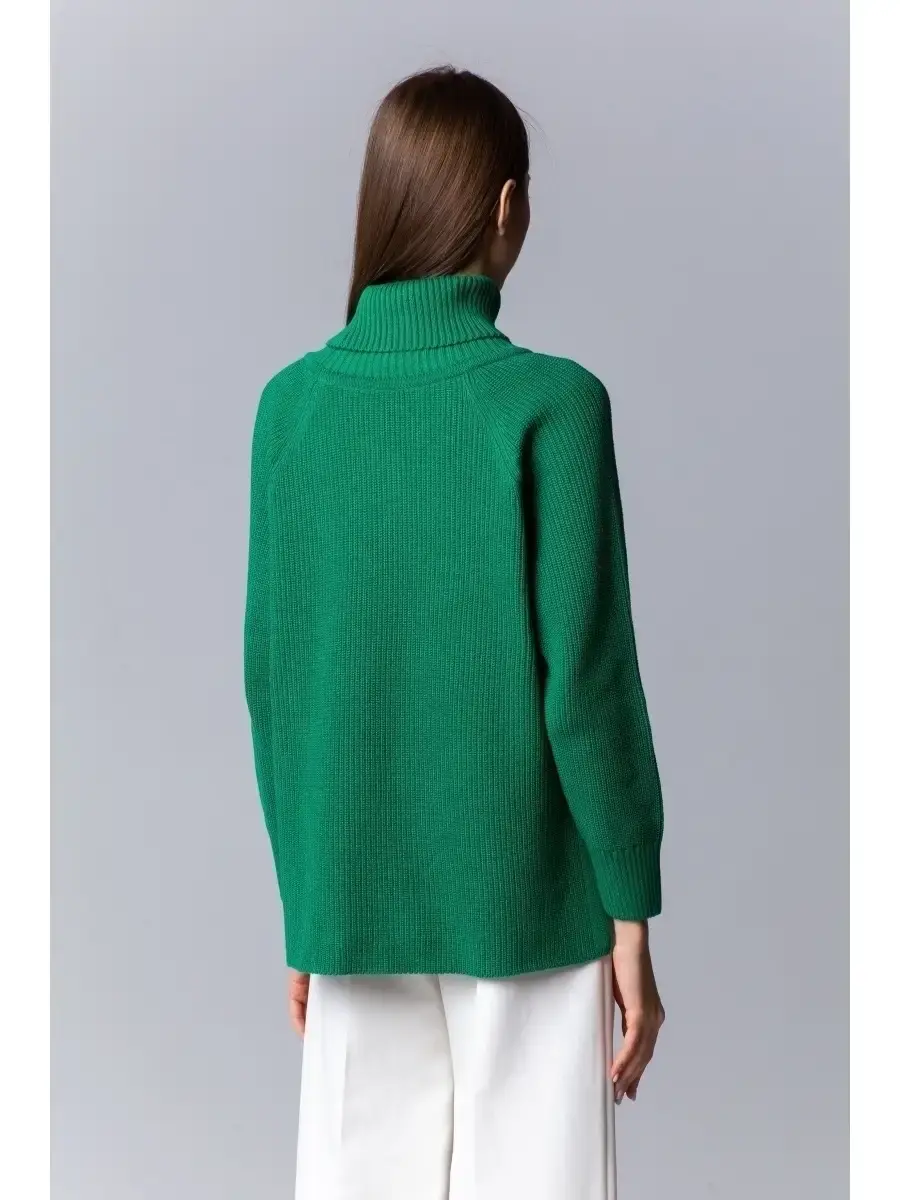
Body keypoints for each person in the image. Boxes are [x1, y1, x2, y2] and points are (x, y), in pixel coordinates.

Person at [243, 65, 665, 1200]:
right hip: (532, 903)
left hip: (350, 897)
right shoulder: (553, 404)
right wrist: (631, 908)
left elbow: (276, 686)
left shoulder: (290, 410)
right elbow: (586, 684)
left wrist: (306, 906)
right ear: (506, 206)